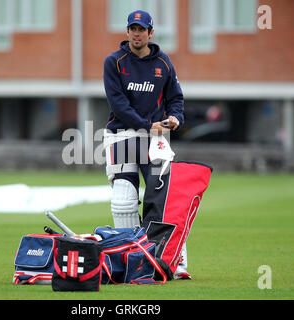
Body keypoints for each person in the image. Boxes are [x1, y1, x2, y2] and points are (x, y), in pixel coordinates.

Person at [103, 10, 190, 279]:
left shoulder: (163, 63)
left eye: (142, 29)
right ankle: (131, 262)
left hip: (155, 138)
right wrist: (146, 125)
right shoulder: (114, 62)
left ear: (151, 33)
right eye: (132, 28)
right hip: (122, 135)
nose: (137, 33)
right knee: (124, 200)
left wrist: (176, 117)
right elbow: (118, 104)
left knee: (164, 201)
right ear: (127, 31)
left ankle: (175, 263)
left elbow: (176, 97)